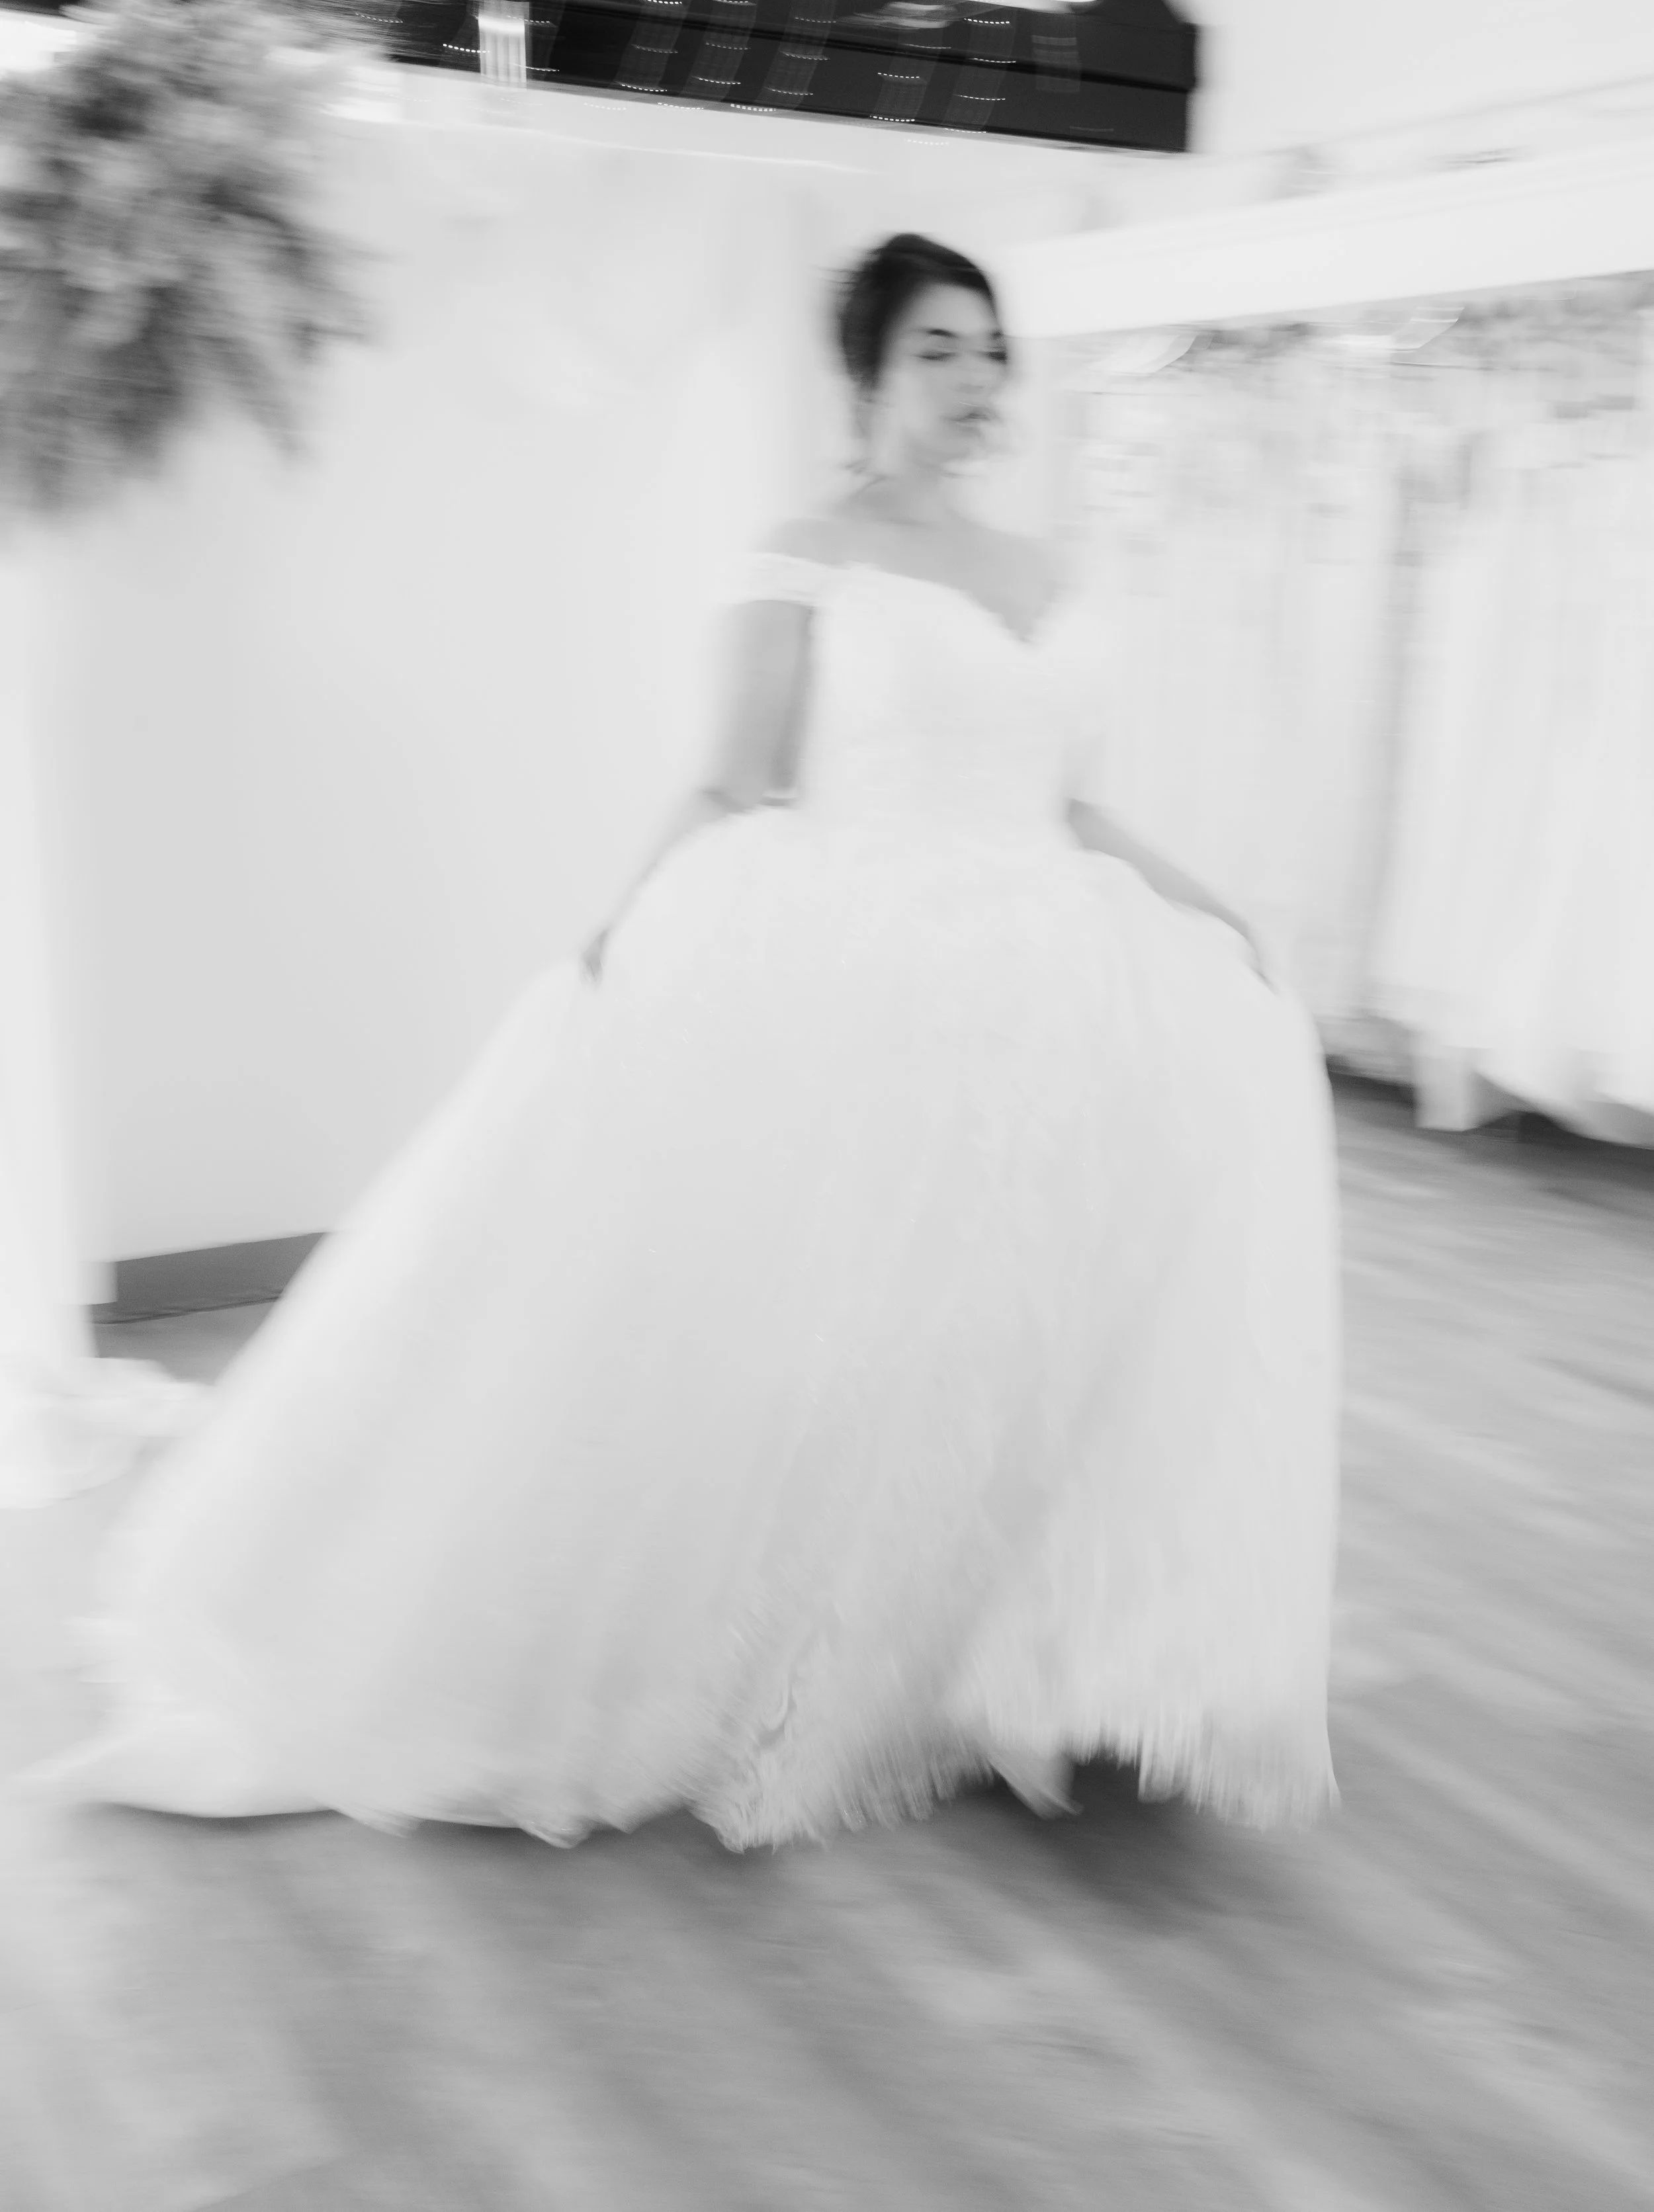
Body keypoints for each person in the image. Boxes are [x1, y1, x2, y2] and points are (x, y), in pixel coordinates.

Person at [29, 234, 1341, 1846]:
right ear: (862, 373)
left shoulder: (1046, 575)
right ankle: (796, 1651)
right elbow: (735, 780)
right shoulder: (806, 553)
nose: (975, 380)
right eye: (937, 348)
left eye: (989, 351)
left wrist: (1210, 911)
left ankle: (1009, 1651)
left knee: (1012, 1333)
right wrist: (629, 922)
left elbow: (1067, 804)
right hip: (871, 971)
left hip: (1049, 985)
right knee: (842, 1327)